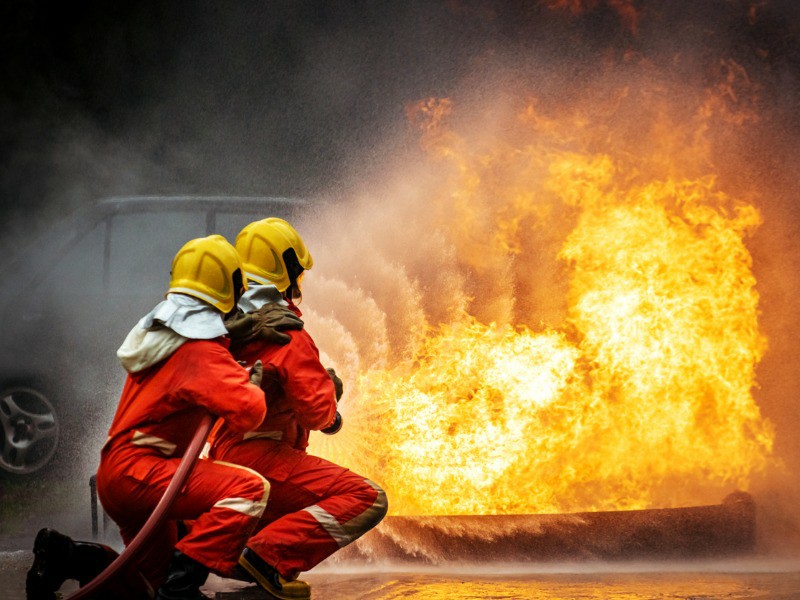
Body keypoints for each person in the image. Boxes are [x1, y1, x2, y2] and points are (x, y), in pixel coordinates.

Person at [27, 234, 299, 600]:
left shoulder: (160, 336)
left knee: (146, 585)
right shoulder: (201, 352)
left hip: (118, 473)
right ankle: (181, 591)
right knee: (249, 490)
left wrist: (231, 341)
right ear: (229, 288)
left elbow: (191, 373)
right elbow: (249, 413)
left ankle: (66, 556)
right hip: (146, 472)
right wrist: (249, 382)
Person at [210, 218, 388, 600]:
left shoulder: (223, 326)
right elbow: (317, 413)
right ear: (286, 271)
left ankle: (240, 555)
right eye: (298, 273)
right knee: (367, 498)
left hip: (221, 458)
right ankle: (266, 559)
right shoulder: (286, 332)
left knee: (289, 500)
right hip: (261, 459)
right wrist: (330, 392)